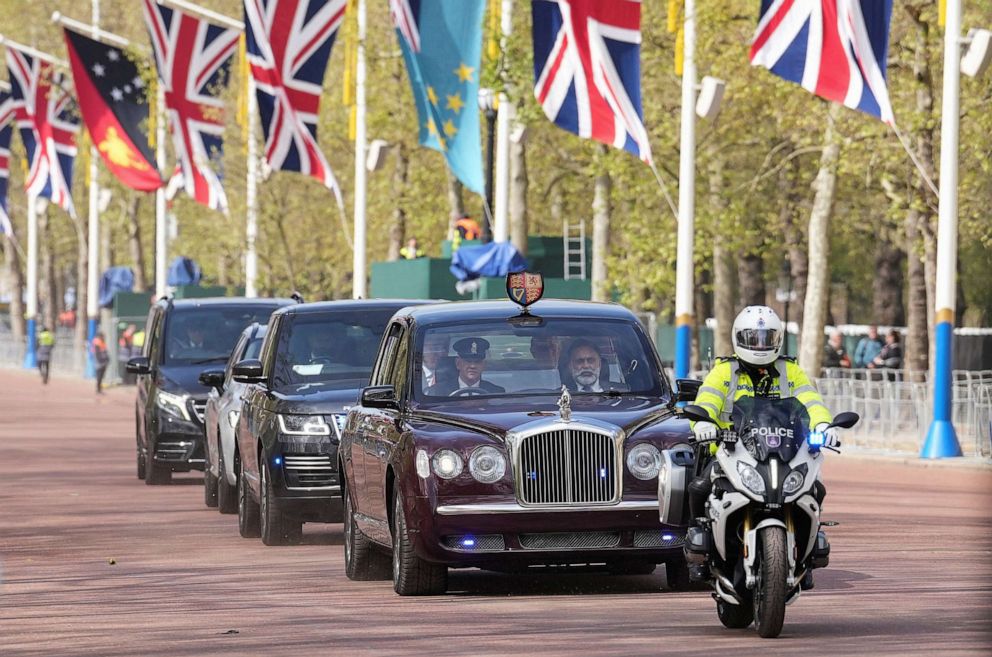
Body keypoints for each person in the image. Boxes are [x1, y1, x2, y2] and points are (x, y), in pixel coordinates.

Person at [685, 306, 839, 578]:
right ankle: (700, 544)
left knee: (816, 489)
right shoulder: (724, 371)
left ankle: (808, 548)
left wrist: (823, 425)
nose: (759, 344)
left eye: (766, 338)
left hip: (784, 451)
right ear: (738, 338)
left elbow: (811, 401)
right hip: (731, 450)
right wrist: (704, 424)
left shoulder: (790, 371)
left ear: (777, 339)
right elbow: (706, 401)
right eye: (752, 337)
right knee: (699, 486)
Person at [426, 337, 504, 395]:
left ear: (484, 365)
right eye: (468, 361)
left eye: (477, 362)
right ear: (458, 363)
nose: (473, 366)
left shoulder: (496, 392)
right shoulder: (437, 392)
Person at [562, 339, 627, 393]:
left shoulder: (624, 392)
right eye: (580, 361)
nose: (586, 366)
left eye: (591, 360)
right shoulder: (558, 396)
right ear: (570, 366)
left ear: (600, 364)